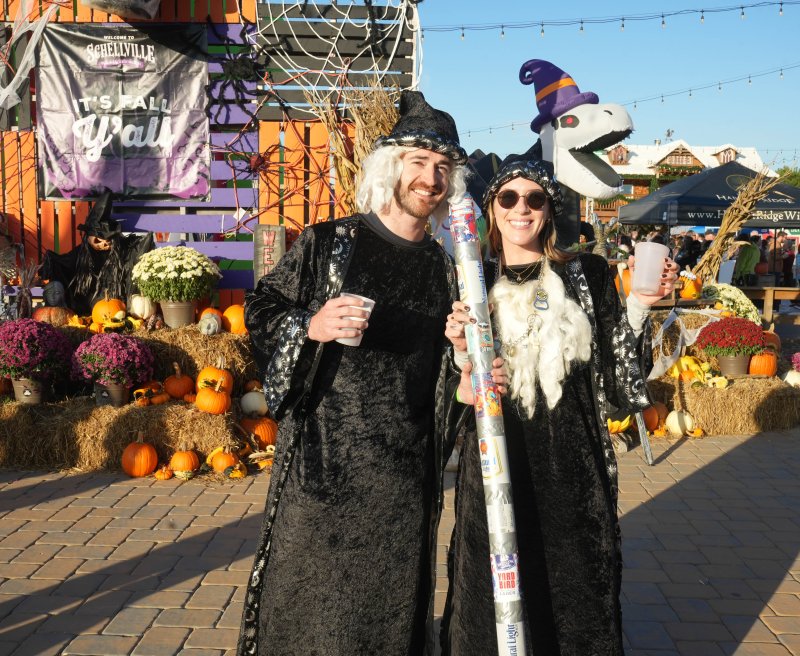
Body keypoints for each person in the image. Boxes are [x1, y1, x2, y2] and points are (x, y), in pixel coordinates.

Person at [237, 91, 505, 656]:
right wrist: (311, 323)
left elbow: (446, 392)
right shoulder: (329, 244)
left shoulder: (450, 271)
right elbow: (261, 311)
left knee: (386, 619)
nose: (429, 178)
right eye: (418, 162)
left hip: (402, 480)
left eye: (442, 168)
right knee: (305, 613)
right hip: (320, 467)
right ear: (392, 167)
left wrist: (462, 358)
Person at [440, 157, 678, 655]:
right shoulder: (469, 277)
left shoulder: (586, 273)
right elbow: (451, 385)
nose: (520, 208)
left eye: (534, 199)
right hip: (496, 460)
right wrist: (461, 349)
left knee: (574, 584)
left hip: (571, 462)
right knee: (493, 581)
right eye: (508, 198)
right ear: (492, 207)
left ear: (549, 210)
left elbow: (617, 371)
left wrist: (639, 303)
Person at [40, 190, 153, 315]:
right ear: (88, 237)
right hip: (85, 304)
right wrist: (51, 261)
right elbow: (65, 263)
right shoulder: (81, 254)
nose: (104, 244)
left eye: (109, 240)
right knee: (56, 287)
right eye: (98, 240)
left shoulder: (120, 252)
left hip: (116, 306)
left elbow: (135, 252)